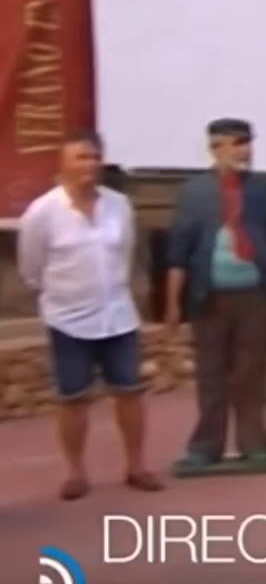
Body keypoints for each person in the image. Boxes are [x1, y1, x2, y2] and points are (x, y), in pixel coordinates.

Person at [16, 131, 164, 500]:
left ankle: (136, 465)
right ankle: (74, 472)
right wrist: (61, 293)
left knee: (129, 391)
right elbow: (32, 268)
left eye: (94, 157)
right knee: (73, 397)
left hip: (117, 315)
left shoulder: (119, 206)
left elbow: (126, 255)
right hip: (68, 319)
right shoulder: (42, 213)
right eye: (81, 158)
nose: (89, 165)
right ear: (62, 164)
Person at [166, 118, 266, 475]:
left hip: (254, 294)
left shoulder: (263, 191)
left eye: (247, 142)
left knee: (252, 372)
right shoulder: (195, 192)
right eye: (236, 143)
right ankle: (206, 446)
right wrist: (173, 302)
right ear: (215, 147)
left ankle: (254, 444)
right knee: (211, 372)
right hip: (210, 295)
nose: (244, 150)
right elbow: (179, 250)